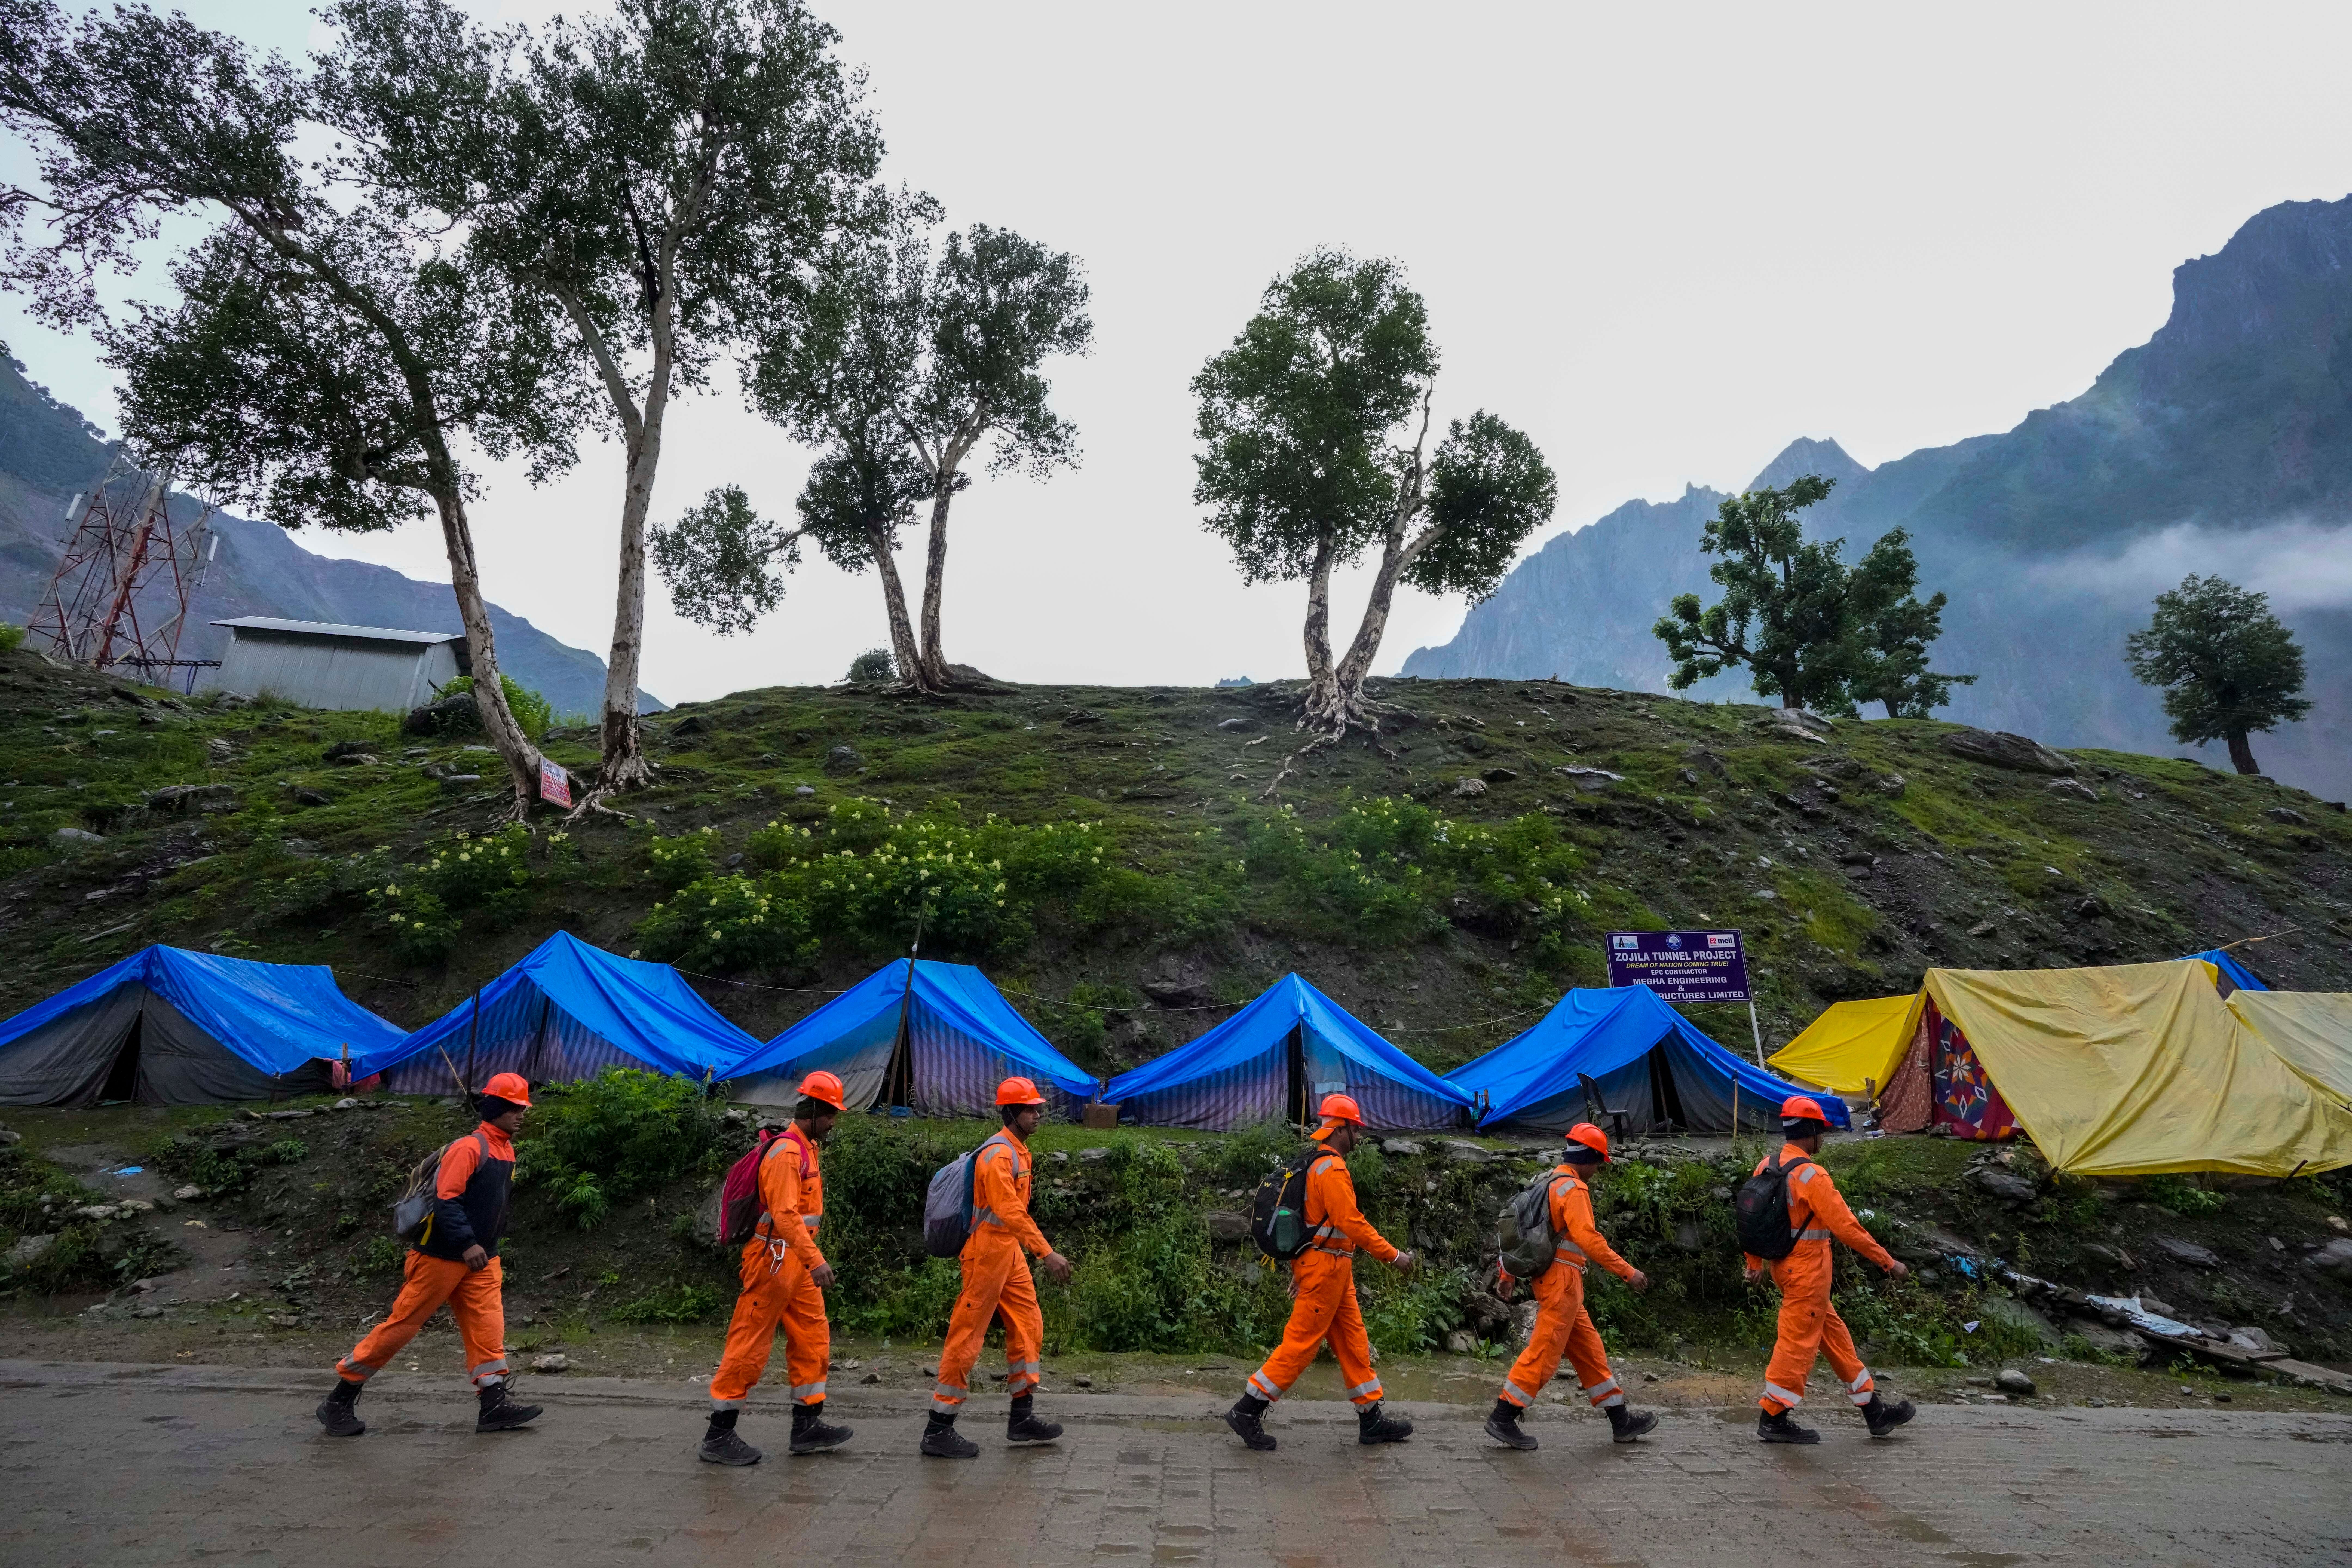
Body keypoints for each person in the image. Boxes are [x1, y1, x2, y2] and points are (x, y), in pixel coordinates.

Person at [316, 1072, 541, 1437]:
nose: (522, 1115)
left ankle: (494, 1405)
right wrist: (468, 1244)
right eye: (516, 1108)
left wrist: (482, 1247)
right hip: (442, 1256)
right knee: (402, 1326)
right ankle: (339, 1400)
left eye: (523, 1108)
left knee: (488, 1328)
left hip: (483, 1259)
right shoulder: (469, 1148)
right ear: (497, 1108)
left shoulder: (506, 1149)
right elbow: (447, 1200)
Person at [1223, 1094, 1417, 1452]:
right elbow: (1351, 1223)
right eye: (1356, 1129)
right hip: (1327, 1271)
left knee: (1354, 1341)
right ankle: (1248, 1410)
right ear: (1341, 1130)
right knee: (1300, 1344)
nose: (1359, 1136)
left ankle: (1371, 1418)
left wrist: (1305, 1267)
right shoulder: (1333, 1169)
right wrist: (1395, 1257)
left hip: (1332, 1270)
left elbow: (1317, 1226)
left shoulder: (1320, 1164)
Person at [700, 1070, 853, 1465]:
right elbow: (785, 1215)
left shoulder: (807, 1148)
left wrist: (808, 1260)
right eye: (832, 1113)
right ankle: (719, 1435)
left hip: (794, 1262)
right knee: (749, 1344)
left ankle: (807, 1425)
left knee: (813, 1336)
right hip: (775, 1260)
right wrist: (815, 1260)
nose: (835, 1121)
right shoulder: (788, 1153)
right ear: (815, 1110)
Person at [1746, 1095, 1916, 1443]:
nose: (1824, 1138)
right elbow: (1848, 1228)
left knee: (1836, 1341)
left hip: (1788, 1270)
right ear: (1809, 1132)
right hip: (1808, 1275)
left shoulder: (1767, 1165)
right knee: (1796, 1345)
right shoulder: (1812, 1175)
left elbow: (1751, 1220)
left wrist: (1755, 1265)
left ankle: (1874, 1411)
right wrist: (1889, 1262)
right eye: (1821, 1132)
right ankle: (1773, 1418)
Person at [921, 1076, 1074, 1458]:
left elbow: (1013, 1217)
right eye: (1029, 1109)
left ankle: (1022, 1418)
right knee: (967, 1336)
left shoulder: (1019, 1151)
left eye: (1038, 1108)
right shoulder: (998, 1155)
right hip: (987, 1252)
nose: (1038, 1115)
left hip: (1008, 1253)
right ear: (1011, 1113)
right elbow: (1009, 1212)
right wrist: (1046, 1253)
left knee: (1029, 1324)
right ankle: (938, 1428)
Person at [1484, 1122, 1660, 1451]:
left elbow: (1515, 1238)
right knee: (1545, 1352)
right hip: (1562, 1284)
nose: (1597, 1170)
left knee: (1591, 1353)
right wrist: (1628, 1272)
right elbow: (1589, 1239)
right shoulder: (1574, 1189)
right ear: (1589, 1157)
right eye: (1598, 1163)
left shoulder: (1547, 1182)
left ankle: (1620, 1420)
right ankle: (1504, 1416)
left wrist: (1508, 1276)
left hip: (1558, 1283)